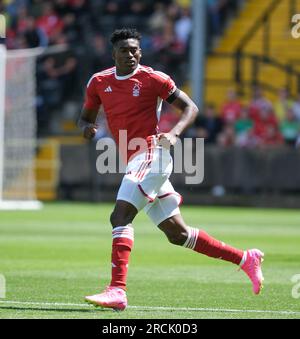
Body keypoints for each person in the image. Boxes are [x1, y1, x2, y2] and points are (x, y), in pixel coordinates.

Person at [78, 28, 264, 311]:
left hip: (152, 154)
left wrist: (175, 132)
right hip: (134, 160)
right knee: (178, 234)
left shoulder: (153, 78)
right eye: (124, 50)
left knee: (120, 216)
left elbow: (190, 107)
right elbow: (85, 117)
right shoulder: (98, 82)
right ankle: (245, 258)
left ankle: (117, 290)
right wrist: (87, 128)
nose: (131, 55)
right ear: (113, 53)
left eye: (135, 50)